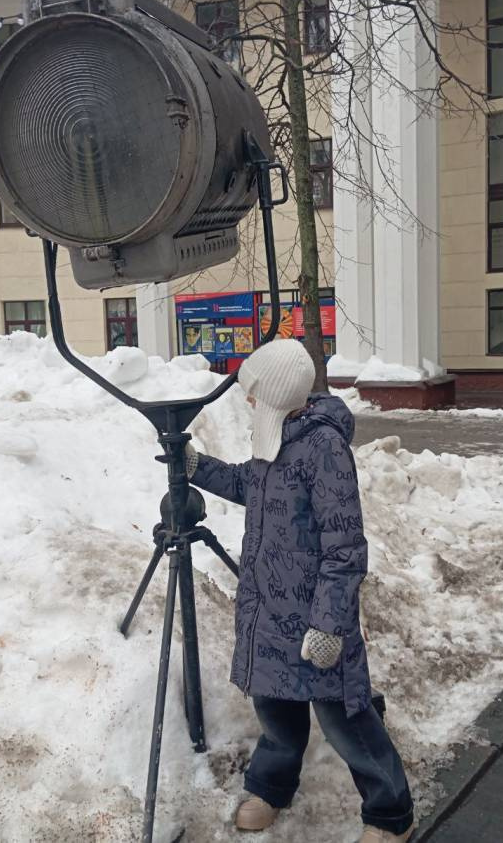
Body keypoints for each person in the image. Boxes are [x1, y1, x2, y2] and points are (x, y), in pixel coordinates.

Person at [187, 339, 414, 842]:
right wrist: (196, 466)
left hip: (316, 618)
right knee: (276, 712)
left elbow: (345, 547)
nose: (248, 400)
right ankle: (271, 786)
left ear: (276, 394)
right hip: (269, 611)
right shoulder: (275, 438)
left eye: (254, 392)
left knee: (346, 722)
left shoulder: (323, 448)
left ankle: (390, 812)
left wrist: (329, 625)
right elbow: (249, 484)